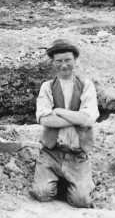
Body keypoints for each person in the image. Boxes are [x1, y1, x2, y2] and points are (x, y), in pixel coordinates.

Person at [30, 38, 99, 208]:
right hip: (51, 153)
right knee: (42, 193)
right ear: (53, 63)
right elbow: (45, 119)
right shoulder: (47, 87)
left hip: (77, 155)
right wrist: (75, 117)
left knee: (81, 201)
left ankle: (70, 183)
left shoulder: (86, 85)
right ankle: (56, 180)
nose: (64, 65)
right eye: (59, 61)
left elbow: (87, 119)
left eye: (68, 60)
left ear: (74, 60)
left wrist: (59, 111)